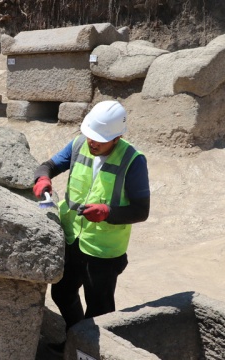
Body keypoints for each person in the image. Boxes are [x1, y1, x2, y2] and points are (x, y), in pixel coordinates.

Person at [32, 100, 150, 354]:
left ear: (117, 137)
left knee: (100, 310)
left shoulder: (133, 161)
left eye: (99, 140)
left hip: (103, 252)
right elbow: (48, 166)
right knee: (62, 294)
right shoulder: (78, 145)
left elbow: (142, 210)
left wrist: (108, 212)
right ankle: (75, 342)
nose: (92, 143)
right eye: (90, 137)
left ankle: (92, 354)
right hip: (71, 239)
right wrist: (42, 178)